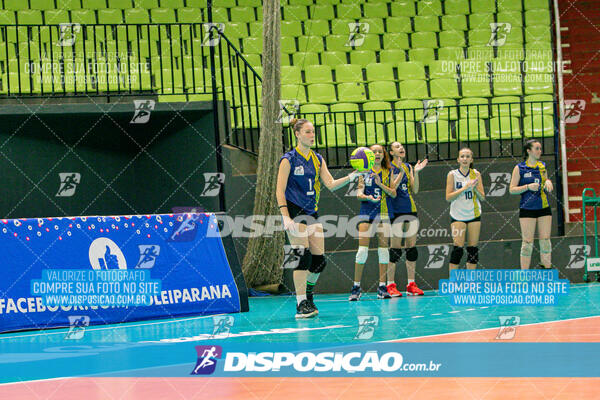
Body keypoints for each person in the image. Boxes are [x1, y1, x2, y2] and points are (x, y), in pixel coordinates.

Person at [276, 118, 358, 318]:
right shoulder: (288, 159)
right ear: (297, 134)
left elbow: (329, 183)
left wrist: (351, 177)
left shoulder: (317, 159)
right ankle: (300, 303)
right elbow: (279, 190)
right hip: (294, 212)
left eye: (313, 132)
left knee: (319, 262)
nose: (312, 136)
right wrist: (285, 217)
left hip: (312, 212)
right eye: (307, 132)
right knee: (302, 257)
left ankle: (309, 292)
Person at [349, 144, 397, 301]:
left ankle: (382, 287)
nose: (377, 154)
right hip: (367, 213)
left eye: (379, 151)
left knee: (383, 251)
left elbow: (393, 193)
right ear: (369, 155)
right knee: (362, 251)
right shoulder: (364, 172)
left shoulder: (388, 171)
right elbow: (358, 194)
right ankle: (356, 287)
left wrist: (380, 183)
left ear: (383, 155)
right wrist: (367, 197)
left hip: (384, 213)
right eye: (374, 152)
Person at [386, 142, 428, 296]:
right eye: (397, 147)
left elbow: (415, 189)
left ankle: (411, 284)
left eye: (402, 146)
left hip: (410, 210)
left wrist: (415, 172)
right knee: (395, 250)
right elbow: (391, 191)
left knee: (411, 249)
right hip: (395, 211)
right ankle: (390, 285)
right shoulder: (388, 168)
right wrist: (396, 179)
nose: (401, 148)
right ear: (391, 152)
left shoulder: (408, 167)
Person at [509, 139, 553, 270]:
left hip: (543, 207)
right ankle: (524, 275)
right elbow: (512, 189)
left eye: (540, 148)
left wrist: (548, 181)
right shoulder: (519, 168)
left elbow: (544, 180)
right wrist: (527, 186)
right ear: (529, 151)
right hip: (527, 208)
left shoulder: (542, 166)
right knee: (527, 243)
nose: (540, 151)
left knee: (545, 241)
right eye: (537, 148)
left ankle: (547, 271)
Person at [445, 147, 485, 274]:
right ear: (458, 159)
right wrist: (464, 188)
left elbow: (483, 197)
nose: (465, 159)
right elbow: (448, 197)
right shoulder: (452, 175)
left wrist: (474, 189)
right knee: (458, 249)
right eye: (462, 156)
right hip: (458, 215)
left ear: (471, 159)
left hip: (473, 214)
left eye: (468, 156)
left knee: (473, 249)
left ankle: (471, 281)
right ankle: (453, 281)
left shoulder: (476, 174)